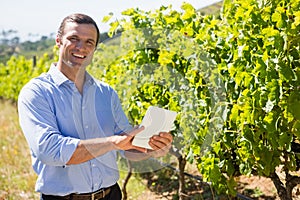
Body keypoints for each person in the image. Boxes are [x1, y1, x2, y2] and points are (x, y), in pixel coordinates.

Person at [18, 13, 173, 200]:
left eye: (89, 42)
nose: (81, 47)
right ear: (58, 41)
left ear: (95, 48)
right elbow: (50, 151)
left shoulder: (106, 93)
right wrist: (112, 142)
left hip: (110, 195)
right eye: (73, 39)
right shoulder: (37, 92)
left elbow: (126, 148)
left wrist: (150, 149)